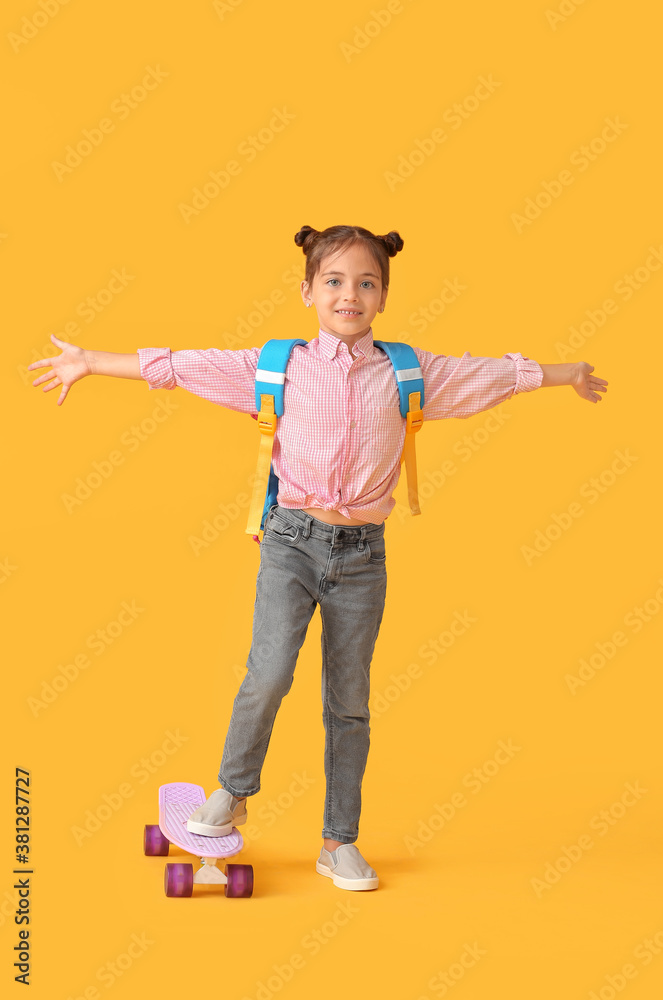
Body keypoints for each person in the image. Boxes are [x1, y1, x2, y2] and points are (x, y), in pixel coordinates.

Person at [28, 223, 609, 891]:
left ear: (383, 296)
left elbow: (495, 375)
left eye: (366, 283)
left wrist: (566, 375)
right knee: (268, 673)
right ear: (307, 290)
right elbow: (180, 364)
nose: (349, 294)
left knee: (349, 702)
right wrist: (91, 361)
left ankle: (338, 842)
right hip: (290, 543)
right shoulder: (273, 369)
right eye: (333, 281)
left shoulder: (407, 372)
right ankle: (234, 790)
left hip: (362, 557)